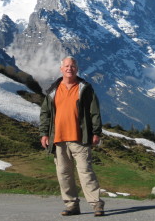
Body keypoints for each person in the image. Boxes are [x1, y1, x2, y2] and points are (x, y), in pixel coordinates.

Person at [39, 56, 105, 217]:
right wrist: (44, 133)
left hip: (80, 138)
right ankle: (71, 205)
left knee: (86, 172)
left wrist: (96, 132)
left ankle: (96, 204)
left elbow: (94, 111)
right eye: (67, 66)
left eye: (73, 66)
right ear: (61, 69)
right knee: (63, 174)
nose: (70, 68)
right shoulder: (53, 91)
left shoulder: (85, 88)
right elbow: (45, 113)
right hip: (59, 139)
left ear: (77, 69)